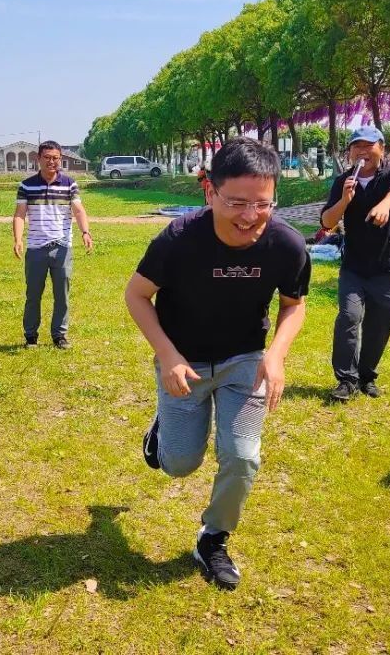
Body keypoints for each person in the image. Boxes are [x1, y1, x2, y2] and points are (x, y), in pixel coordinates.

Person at [125, 137, 310, 591]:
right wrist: (167, 355)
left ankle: (213, 538)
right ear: (210, 192)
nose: (250, 216)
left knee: (243, 456)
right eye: (237, 203)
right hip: (183, 364)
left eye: (262, 204)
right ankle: (161, 433)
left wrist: (276, 354)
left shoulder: (286, 244)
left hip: (244, 361)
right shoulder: (178, 239)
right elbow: (137, 295)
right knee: (179, 464)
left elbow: (294, 305)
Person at [320, 125, 390, 402]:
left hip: (388, 264)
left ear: (381, 148)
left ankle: (366, 375)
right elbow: (327, 221)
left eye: (368, 146)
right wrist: (344, 200)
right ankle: (346, 380)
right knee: (348, 317)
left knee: (379, 324)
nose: (362, 151)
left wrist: (384, 206)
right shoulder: (343, 181)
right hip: (354, 266)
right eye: (356, 146)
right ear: (350, 152)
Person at [13, 140, 93, 349]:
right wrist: (18, 239)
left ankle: (60, 335)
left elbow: (78, 211)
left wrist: (85, 232)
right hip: (36, 248)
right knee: (33, 295)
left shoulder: (69, 184)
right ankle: (31, 336)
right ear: (38, 159)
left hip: (62, 247)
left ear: (60, 159)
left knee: (62, 295)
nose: (51, 162)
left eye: (55, 158)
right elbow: (20, 214)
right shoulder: (26, 186)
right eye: (47, 157)